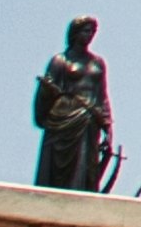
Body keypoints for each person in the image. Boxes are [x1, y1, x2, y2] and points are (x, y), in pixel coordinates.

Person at [31, 18, 117, 194]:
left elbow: (103, 95)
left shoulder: (98, 63)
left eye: (93, 31)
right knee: (58, 171)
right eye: (86, 31)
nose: (90, 35)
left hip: (89, 120)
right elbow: (45, 93)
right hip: (64, 119)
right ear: (75, 33)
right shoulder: (60, 60)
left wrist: (108, 127)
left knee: (85, 168)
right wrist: (47, 90)